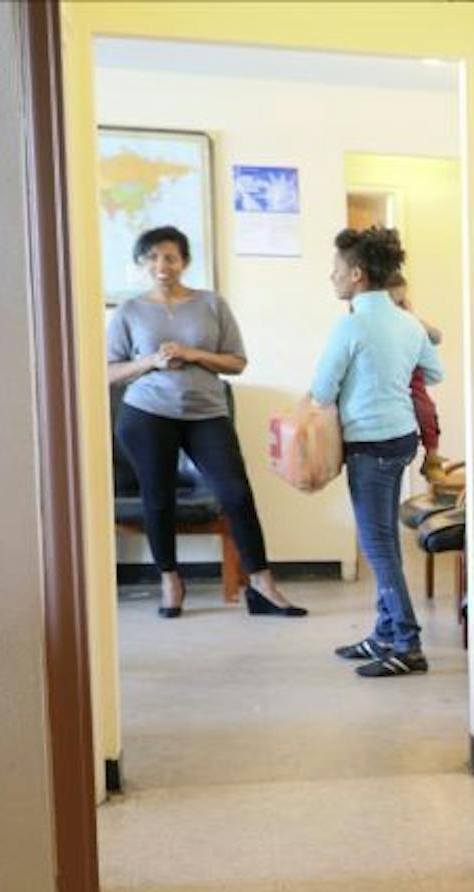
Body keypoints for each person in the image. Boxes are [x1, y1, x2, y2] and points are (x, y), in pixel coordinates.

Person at [106, 225, 305, 619]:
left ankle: (262, 584)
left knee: (236, 494)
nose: (162, 265)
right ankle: (170, 580)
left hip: (206, 412)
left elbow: (237, 361)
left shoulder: (212, 304)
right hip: (146, 414)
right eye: (153, 257)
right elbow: (108, 372)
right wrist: (152, 361)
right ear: (142, 263)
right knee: (157, 498)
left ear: (184, 262)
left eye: (171, 257)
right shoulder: (129, 311)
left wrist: (193, 353)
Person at [311, 227, 443, 677]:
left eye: (336, 270)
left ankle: (408, 644)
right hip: (401, 439)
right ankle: (384, 634)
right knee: (383, 538)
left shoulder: (351, 325)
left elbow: (322, 389)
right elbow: (435, 370)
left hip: (369, 445)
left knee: (378, 546)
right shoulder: (408, 322)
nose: (331, 277)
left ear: (357, 274)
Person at [384, 272, 464, 489]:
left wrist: (410, 316)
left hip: (412, 373)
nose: (398, 307)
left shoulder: (408, 320)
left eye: (401, 301)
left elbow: (436, 336)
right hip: (391, 377)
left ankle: (432, 455)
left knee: (426, 409)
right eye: (394, 302)